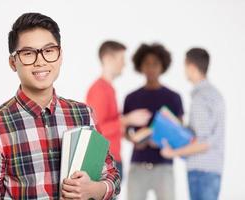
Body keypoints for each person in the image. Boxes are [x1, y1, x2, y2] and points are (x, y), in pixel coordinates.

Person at [0, 13, 120, 199]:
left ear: (60, 55)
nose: (40, 61)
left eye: (49, 51)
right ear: (12, 62)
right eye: (28, 53)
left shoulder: (83, 114)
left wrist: (94, 189)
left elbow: (111, 175)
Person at [161, 48, 225, 200]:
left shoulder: (201, 97)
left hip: (202, 171)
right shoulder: (212, 94)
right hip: (209, 170)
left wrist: (172, 153)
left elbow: (204, 143)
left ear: (191, 67)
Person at [124, 43, 184, 200]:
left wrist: (163, 141)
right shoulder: (131, 98)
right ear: (140, 66)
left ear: (162, 66)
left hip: (164, 166)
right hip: (138, 165)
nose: (151, 68)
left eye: (155, 64)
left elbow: (180, 131)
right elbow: (125, 130)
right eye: (147, 64)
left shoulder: (173, 97)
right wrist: (134, 140)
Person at [86, 41, 151, 180]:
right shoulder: (99, 90)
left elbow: (111, 127)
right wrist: (128, 119)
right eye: (121, 59)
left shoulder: (109, 89)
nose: (124, 64)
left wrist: (131, 134)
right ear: (107, 59)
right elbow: (97, 130)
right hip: (102, 162)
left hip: (111, 159)